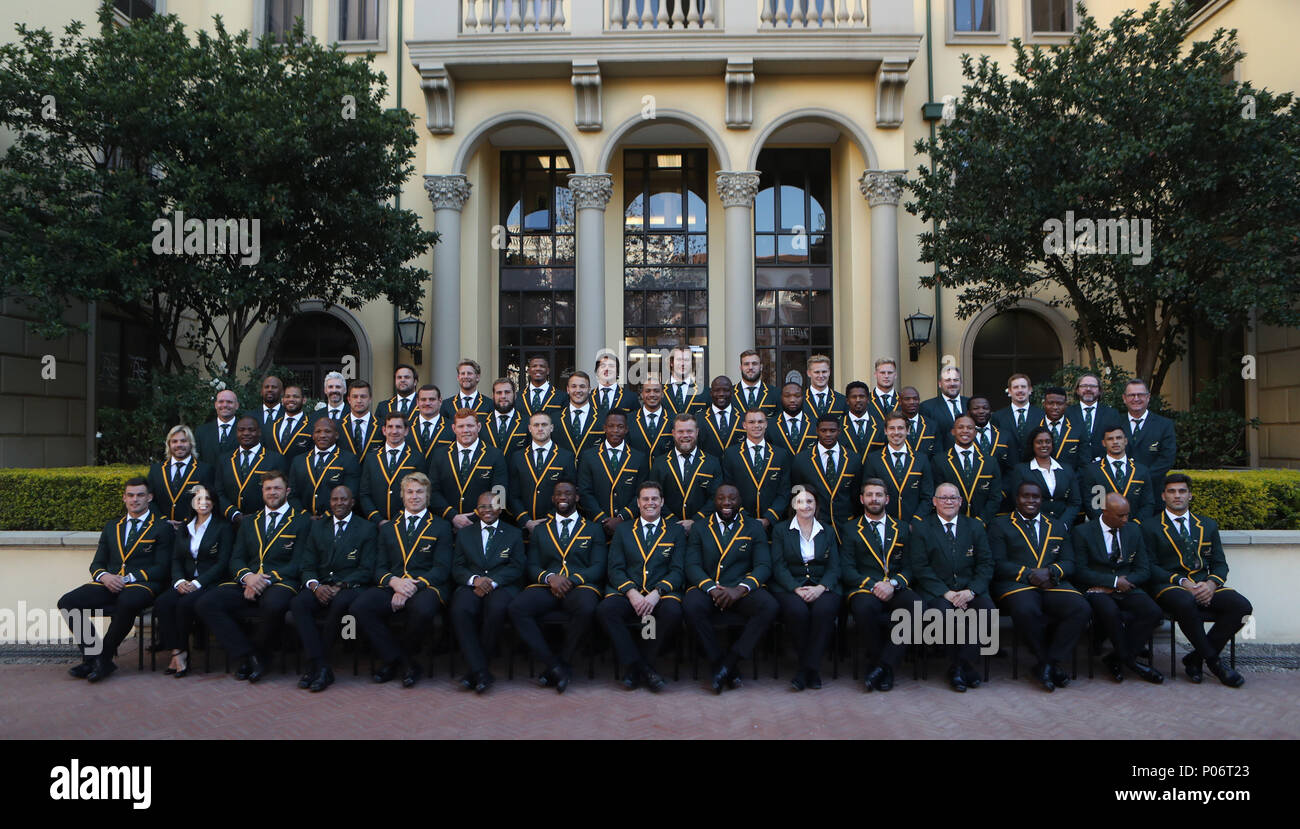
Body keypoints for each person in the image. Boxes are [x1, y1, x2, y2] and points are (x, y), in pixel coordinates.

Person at [59, 478, 176, 682]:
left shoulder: (161, 527)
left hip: (143, 584)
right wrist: (105, 577)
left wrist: (129, 578)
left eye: (140, 495)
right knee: (67, 602)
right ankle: (93, 656)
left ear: (149, 498)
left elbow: (163, 568)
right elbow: (97, 564)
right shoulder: (112, 526)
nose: (135, 499)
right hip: (109, 582)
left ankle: (102, 659)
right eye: (130, 495)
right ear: (124, 498)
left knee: (127, 601)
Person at [195, 470, 307, 682]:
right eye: (268, 488)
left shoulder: (301, 521)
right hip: (247, 581)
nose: (272, 493)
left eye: (277, 488)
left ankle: (260, 654)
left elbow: (299, 563)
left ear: (287, 491)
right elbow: (236, 559)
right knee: (206, 603)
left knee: (273, 605)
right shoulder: (249, 521)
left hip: (281, 581)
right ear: (262, 491)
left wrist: (264, 579)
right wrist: (248, 577)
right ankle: (247, 655)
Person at [1143, 474, 1251, 687]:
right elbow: (1149, 566)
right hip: (1169, 586)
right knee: (1186, 601)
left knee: (1242, 607)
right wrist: (1184, 583)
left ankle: (1195, 658)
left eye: (1182, 491)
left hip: (1203, 584)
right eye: (1172, 491)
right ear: (1163, 496)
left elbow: (1220, 564)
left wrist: (1210, 584)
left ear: (1190, 495)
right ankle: (1215, 663)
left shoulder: (1207, 525)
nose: (1177, 496)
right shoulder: (1150, 526)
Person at [352, 473, 453, 689]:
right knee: (360, 606)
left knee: (423, 610)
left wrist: (412, 586)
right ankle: (397, 659)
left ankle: (404, 660)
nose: (414, 496)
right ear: (402, 495)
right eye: (410, 492)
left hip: (426, 586)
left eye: (419, 492)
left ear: (427, 496)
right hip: (393, 584)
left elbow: (441, 569)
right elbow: (378, 568)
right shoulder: (388, 527)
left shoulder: (441, 526)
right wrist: (395, 583)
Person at [988, 480, 1091, 692]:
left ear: (1042, 500)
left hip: (1052, 583)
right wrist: (1029, 574)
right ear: (1017, 499)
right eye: (1026, 496)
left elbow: (1070, 562)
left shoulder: (1056, 525)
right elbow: (997, 563)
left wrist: (1051, 572)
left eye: (1035, 497)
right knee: (1026, 610)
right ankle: (1045, 661)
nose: (1031, 501)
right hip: (1016, 584)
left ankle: (1049, 663)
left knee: (1081, 608)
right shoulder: (1000, 525)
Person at [509, 483, 607, 693]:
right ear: (553, 499)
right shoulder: (541, 530)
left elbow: (598, 566)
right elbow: (532, 565)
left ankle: (563, 661)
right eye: (559, 494)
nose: (563, 497)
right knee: (517, 607)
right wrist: (550, 577)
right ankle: (553, 664)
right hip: (547, 585)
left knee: (588, 608)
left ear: (577, 498)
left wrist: (571, 579)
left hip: (579, 586)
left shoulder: (593, 528)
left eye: (568, 493)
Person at [683, 485, 778, 693]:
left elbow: (763, 565)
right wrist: (711, 588)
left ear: (740, 500)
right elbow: (692, 565)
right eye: (721, 498)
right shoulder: (700, 527)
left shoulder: (753, 527)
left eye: (732, 498)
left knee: (769, 606)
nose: (727, 503)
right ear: (714, 501)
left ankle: (731, 660)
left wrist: (740, 589)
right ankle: (720, 662)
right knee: (691, 606)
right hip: (709, 588)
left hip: (741, 590)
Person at [596, 481, 685, 692]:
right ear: (638, 503)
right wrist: (632, 593)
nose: (650, 503)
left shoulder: (675, 531)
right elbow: (615, 568)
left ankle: (637, 668)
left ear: (662, 502)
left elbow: (678, 570)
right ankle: (642, 666)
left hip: (659, 594)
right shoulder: (624, 530)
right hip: (629, 592)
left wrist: (657, 593)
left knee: (672, 611)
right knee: (606, 610)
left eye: (654, 498)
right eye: (645, 499)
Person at [908, 483, 996, 692]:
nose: (949, 502)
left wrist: (971, 591)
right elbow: (920, 567)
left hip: (969, 589)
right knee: (943, 614)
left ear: (960, 502)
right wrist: (946, 593)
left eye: (953, 498)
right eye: (944, 498)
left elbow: (986, 563)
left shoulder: (974, 526)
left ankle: (959, 666)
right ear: (934, 501)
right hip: (938, 590)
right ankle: (962, 668)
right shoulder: (922, 528)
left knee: (987, 612)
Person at [289, 485, 377, 692]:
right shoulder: (318, 527)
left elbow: (367, 568)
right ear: (329, 503)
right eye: (335, 499)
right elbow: (307, 565)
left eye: (344, 499)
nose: (339, 503)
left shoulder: (366, 528)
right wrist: (315, 585)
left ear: (352, 502)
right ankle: (321, 665)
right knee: (298, 603)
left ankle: (317, 666)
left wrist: (342, 585)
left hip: (351, 586)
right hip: (321, 585)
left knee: (340, 604)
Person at [1071, 493, 1164, 684]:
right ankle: (1131, 662)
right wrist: (1112, 582)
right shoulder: (1083, 532)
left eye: (1127, 515)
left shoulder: (1133, 530)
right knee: (1110, 612)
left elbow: (1143, 569)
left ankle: (1117, 658)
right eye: (1120, 516)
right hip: (1096, 589)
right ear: (1105, 512)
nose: (1125, 519)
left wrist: (1121, 584)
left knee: (1153, 612)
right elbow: (1079, 571)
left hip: (1127, 586)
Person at [842, 479, 916, 692]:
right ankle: (882, 666)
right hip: (865, 587)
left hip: (895, 587)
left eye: (879, 495)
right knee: (864, 608)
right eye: (870, 494)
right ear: (862, 499)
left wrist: (893, 583)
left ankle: (883, 666)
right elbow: (847, 569)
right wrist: (875, 585)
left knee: (916, 605)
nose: (874, 499)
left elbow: (911, 567)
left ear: (887, 499)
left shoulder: (902, 528)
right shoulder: (850, 529)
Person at [450, 491, 525, 693]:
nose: (487, 510)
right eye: (482, 506)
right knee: (460, 610)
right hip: (472, 585)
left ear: (500, 509)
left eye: (491, 506)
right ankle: (481, 671)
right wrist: (475, 580)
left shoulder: (513, 533)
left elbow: (517, 567)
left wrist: (492, 582)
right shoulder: (465, 534)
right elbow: (457, 567)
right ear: (476, 510)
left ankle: (475, 671)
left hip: (501, 585)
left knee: (496, 609)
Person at [155, 485, 231, 678]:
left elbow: (222, 563)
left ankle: (181, 656)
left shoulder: (223, 527)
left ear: (214, 502)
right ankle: (177, 652)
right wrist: (179, 580)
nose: (203, 502)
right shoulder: (185, 526)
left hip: (209, 582)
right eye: (198, 498)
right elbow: (176, 559)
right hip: (185, 580)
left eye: (207, 498)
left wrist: (197, 584)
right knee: (163, 603)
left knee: (184, 605)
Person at [769, 488, 841, 691]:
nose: (806, 505)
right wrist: (795, 588)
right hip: (790, 586)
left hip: (822, 585)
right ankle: (812, 669)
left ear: (816, 505)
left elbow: (834, 566)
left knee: (823, 611)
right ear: (793, 505)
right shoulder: (781, 530)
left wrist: (820, 588)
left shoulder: (827, 530)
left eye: (810, 501)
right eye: (800, 501)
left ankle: (806, 670)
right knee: (796, 611)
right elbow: (778, 565)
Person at [428, 409, 509, 532]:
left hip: (481, 526)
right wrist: (453, 516)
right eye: (461, 426)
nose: (465, 430)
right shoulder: (440, 455)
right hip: (447, 526)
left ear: (479, 427)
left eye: (470, 425)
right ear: (454, 428)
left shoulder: (495, 455)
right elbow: (432, 491)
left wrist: (475, 516)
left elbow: (500, 493)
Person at [791, 416, 862, 544]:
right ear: (817, 431)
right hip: (815, 525)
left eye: (832, 430)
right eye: (824, 430)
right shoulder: (802, 460)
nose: (828, 434)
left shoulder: (853, 458)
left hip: (846, 525)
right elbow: (797, 493)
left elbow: (856, 495)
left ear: (839, 431)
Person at [577, 410, 648, 538]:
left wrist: (622, 517)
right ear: (605, 428)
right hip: (597, 526)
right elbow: (584, 492)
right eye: (611, 426)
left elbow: (641, 493)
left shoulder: (639, 458)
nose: (615, 430)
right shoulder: (589, 456)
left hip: (628, 527)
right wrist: (602, 519)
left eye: (620, 427)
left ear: (626, 429)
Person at [648, 413, 721, 533]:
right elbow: (655, 496)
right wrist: (674, 522)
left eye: (689, 431)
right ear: (673, 433)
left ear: (697, 432)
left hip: (703, 529)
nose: (685, 435)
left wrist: (695, 520)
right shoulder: (660, 463)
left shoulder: (712, 462)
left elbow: (716, 498)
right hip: (668, 529)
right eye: (680, 431)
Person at [720, 409, 789, 530]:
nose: (756, 425)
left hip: (773, 525)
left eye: (760, 421)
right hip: (741, 522)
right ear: (744, 425)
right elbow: (728, 489)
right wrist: (744, 516)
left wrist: (769, 518)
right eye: (751, 422)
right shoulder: (731, 454)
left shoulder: (780, 454)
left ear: (766, 424)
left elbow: (784, 491)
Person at [508, 412, 576, 531]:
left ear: (551, 427)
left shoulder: (566, 457)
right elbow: (512, 495)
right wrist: (526, 521)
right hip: (524, 528)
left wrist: (549, 520)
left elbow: (570, 494)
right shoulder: (517, 457)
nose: (540, 428)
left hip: (554, 526)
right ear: (530, 428)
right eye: (536, 425)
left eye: (544, 424)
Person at [862, 413, 935, 525]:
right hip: (885, 525)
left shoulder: (921, 459)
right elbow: (869, 494)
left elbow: (928, 496)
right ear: (885, 431)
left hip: (914, 525)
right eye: (892, 428)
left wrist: (916, 520)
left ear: (908, 430)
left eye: (900, 428)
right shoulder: (873, 459)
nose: (896, 432)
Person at [931, 414, 1002, 526]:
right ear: (953, 431)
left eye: (969, 428)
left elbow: (995, 496)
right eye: (960, 427)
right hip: (952, 523)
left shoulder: (990, 461)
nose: (965, 431)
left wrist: (981, 521)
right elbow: (937, 494)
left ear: (975, 432)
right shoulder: (939, 460)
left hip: (983, 524)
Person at [359, 413, 428, 526]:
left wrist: (399, 520)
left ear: (406, 431)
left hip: (404, 524)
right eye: (390, 427)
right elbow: (364, 494)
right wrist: (377, 519)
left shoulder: (417, 457)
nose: (394, 431)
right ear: (384, 430)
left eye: (399, 427)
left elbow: (422, 492)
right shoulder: (371, 458)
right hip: (376, 525)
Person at [215, 415, 287, 525]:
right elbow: (218, 492)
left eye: (251, 430)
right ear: (236, 433)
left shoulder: (275, 459)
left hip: (263, 522)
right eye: (241, 430)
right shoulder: (224, 459)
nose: (246, 433)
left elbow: (282, 492)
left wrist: (258, 516)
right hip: (229, 523)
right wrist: (234, 514)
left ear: (259, 432)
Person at [1008, 425, 1081, 526]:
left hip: (1064, 527)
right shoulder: (1021, 470)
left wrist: (1063, 524)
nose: (1044, 445)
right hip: (1034, 526)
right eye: (1039, 442)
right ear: (1032, 445)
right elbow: (1018, 501)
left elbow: (1075, 502)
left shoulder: (1067, 469)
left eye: (1048, 441)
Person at [288, 417, 361, 517]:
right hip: (304, 521)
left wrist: (326, 516)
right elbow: (292, 495)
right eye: (318, 431)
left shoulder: (349, 459)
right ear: (313, 435)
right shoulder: (298, 461)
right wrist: (305, 516)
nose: (322, 435)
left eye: (327, 431)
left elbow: (350, 494)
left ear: (336, 435)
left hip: (333, 520)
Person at [1081, 426, 1155, 521]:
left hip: (1135, 528)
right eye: (1110, 439)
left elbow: (1148, 503)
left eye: (1119, 438)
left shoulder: (1141, 470)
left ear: (1126, 441)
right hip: (1105, 528)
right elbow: (1092, 503)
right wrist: (1106, 524)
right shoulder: (1092, 470)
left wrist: (1135, 525)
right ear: (1104, 443)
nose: (1115, 442)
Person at [147, 425, 216, 525]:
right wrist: (163, 520)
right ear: (169, 445)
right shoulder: (156, 470)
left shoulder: (205, 470)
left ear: (191, 444)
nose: (179, 445)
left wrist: (186, 522)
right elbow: (149, 500)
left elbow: (208, 501)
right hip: (161, 527)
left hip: (191, 527)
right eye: (174, 441)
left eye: (183, 441)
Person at [1121, 378, 1177, 497]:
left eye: (1140, 395)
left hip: (1153, 491)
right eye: (1131, 395)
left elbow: (1167, 459)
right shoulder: (1115, 423)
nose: (1136, 398)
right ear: (1124, 398)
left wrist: (1141, 479)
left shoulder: (1164, 425)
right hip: (1120, 491)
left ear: (1148, 397)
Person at [1065, 372, 1120, 466]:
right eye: (1084, 386)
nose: (1088, 389)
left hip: (1103, 468)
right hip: (1074, 468)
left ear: (1099, 391)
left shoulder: (1111, 414)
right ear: (1077, 390)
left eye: (1093, 386)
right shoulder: (1067, 413)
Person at [990, 374, 1044, 467]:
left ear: (1030, 390)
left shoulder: (1042, 415)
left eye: (1023, 387)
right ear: (1010, 391)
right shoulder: (998, 417)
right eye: (1015, 387)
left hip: (1035, 469)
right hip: (1007, 471)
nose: (1020, 390)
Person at [554, 370, 605, 462]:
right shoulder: (554, 419)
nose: (578, 390)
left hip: (592, 473)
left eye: (582, 386)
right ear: (568, 390)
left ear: (589, 389)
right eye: (574, 386)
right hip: (563, 474)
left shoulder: (603, 418)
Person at [920, 365, 970, 450]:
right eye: (948, 380)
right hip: (941, 458)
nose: (952, 383)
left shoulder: (970, 404)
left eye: (956, 380)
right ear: (940, 384)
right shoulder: (927, 407)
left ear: (961, 382)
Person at [627, 374, 674, 458]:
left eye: (656, 391)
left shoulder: (673, 419)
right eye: (648, 391)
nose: (652, 394)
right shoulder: (629, 419)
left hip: (664, 470)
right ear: (641, 394)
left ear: (662, 394)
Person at [697, 375, 744, 458]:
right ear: (711, 393)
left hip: (736, 469)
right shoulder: (698, 419)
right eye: (717, 390)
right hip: (710, 469)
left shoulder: (744, 418)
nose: (721, 394)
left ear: (732, 393)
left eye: (726, 390)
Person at [264, 384, 313, 461]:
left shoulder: (312, 425)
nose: (291, 399)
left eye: (295, 396)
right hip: (274, 472)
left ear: (304, 400)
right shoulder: (271, 425)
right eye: (287, 396)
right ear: (282, 400)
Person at [482, 377, 529, 458]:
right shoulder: (481, 423)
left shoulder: (527, 422)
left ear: (515, 395)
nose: (503, 396)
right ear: (493, 396)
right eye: (499, 393)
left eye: (507, 392)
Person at [1038, 386, 1081, 471]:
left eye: (1059, 404)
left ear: (1066, 405)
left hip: (1071, 480)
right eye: (1051, 403)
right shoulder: (1034, 427)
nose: (1055, 407)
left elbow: (1084, 462)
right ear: (1044, 404)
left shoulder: (1077, 428)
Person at [768, 381, 816, 456]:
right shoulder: (770, 425)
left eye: (797, 396)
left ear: (803, 397)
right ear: (781, 397)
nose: (792, 400)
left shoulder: (815, 423)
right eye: (787, 396)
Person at [968, 396, 1012, 473]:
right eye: (976, 408)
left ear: (990, 411)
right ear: (968, 412)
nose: (981, 411)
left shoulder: (1005, 436)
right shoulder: (961, 437)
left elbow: (1011, 467)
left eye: (985, 408)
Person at [897, 386, 939, 468]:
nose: (912, 402)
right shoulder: (893, 425)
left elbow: (937, 455)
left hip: (927, 471)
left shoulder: (931, 425)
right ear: (899, 401)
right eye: (907, 399)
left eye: (915, 399)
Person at [407, 383, 452, 460]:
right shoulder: (406, 427)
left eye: (432, 399)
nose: (427, 403)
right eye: (423, 399)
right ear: (417, 402)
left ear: (440, 401)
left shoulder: (451, 427)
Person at [841, 381, 883, 462]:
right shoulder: (839, 426)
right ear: (847, 400)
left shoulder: (880, 426)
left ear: (868, 399)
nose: (858, 400)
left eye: (862, 396)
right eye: (854, 397)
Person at [195, 389, 241, 463]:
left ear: (237, 406)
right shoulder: (202, 431)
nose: (225, 405)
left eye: (229, 402)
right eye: (221, 402)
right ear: (215, 405)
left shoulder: (245, 431)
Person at [339, 380, 382, 457]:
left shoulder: (381, 425)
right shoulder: (338, 426)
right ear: (349, 400)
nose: (359, 400)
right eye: (355, 397)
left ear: (370, 399)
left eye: (363, 396)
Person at [516, 354, 564, 420]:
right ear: (528, 371)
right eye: (534, 366)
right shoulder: (518, 397)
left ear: (548, 371)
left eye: (542, 366)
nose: (538, 368)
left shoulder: (561, 396)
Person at [801, 354, 847, 421]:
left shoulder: (842, 400)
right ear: (809, 373)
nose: (821, 376)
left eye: (824, 372)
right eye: (817, 372)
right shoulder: (800, 400)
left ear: (829, 372)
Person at [663, 346, 706, 415]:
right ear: (671, 363)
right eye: (679, 360)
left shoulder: (704, 392)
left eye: (686, 360)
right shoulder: (659, 391)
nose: (682, 364)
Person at [733, 349, 776, 416]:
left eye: (754, 364)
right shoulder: (730, 393)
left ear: (761, 367)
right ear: (741, 368)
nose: (750, 367)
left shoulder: (774, 393)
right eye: (746, 364)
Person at [865, 357, 900, 428]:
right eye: (882, 373)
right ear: (875, 374)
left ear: (895, 375)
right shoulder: (866, 400)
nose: (886, 376)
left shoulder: (902, 400)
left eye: (890, 373)